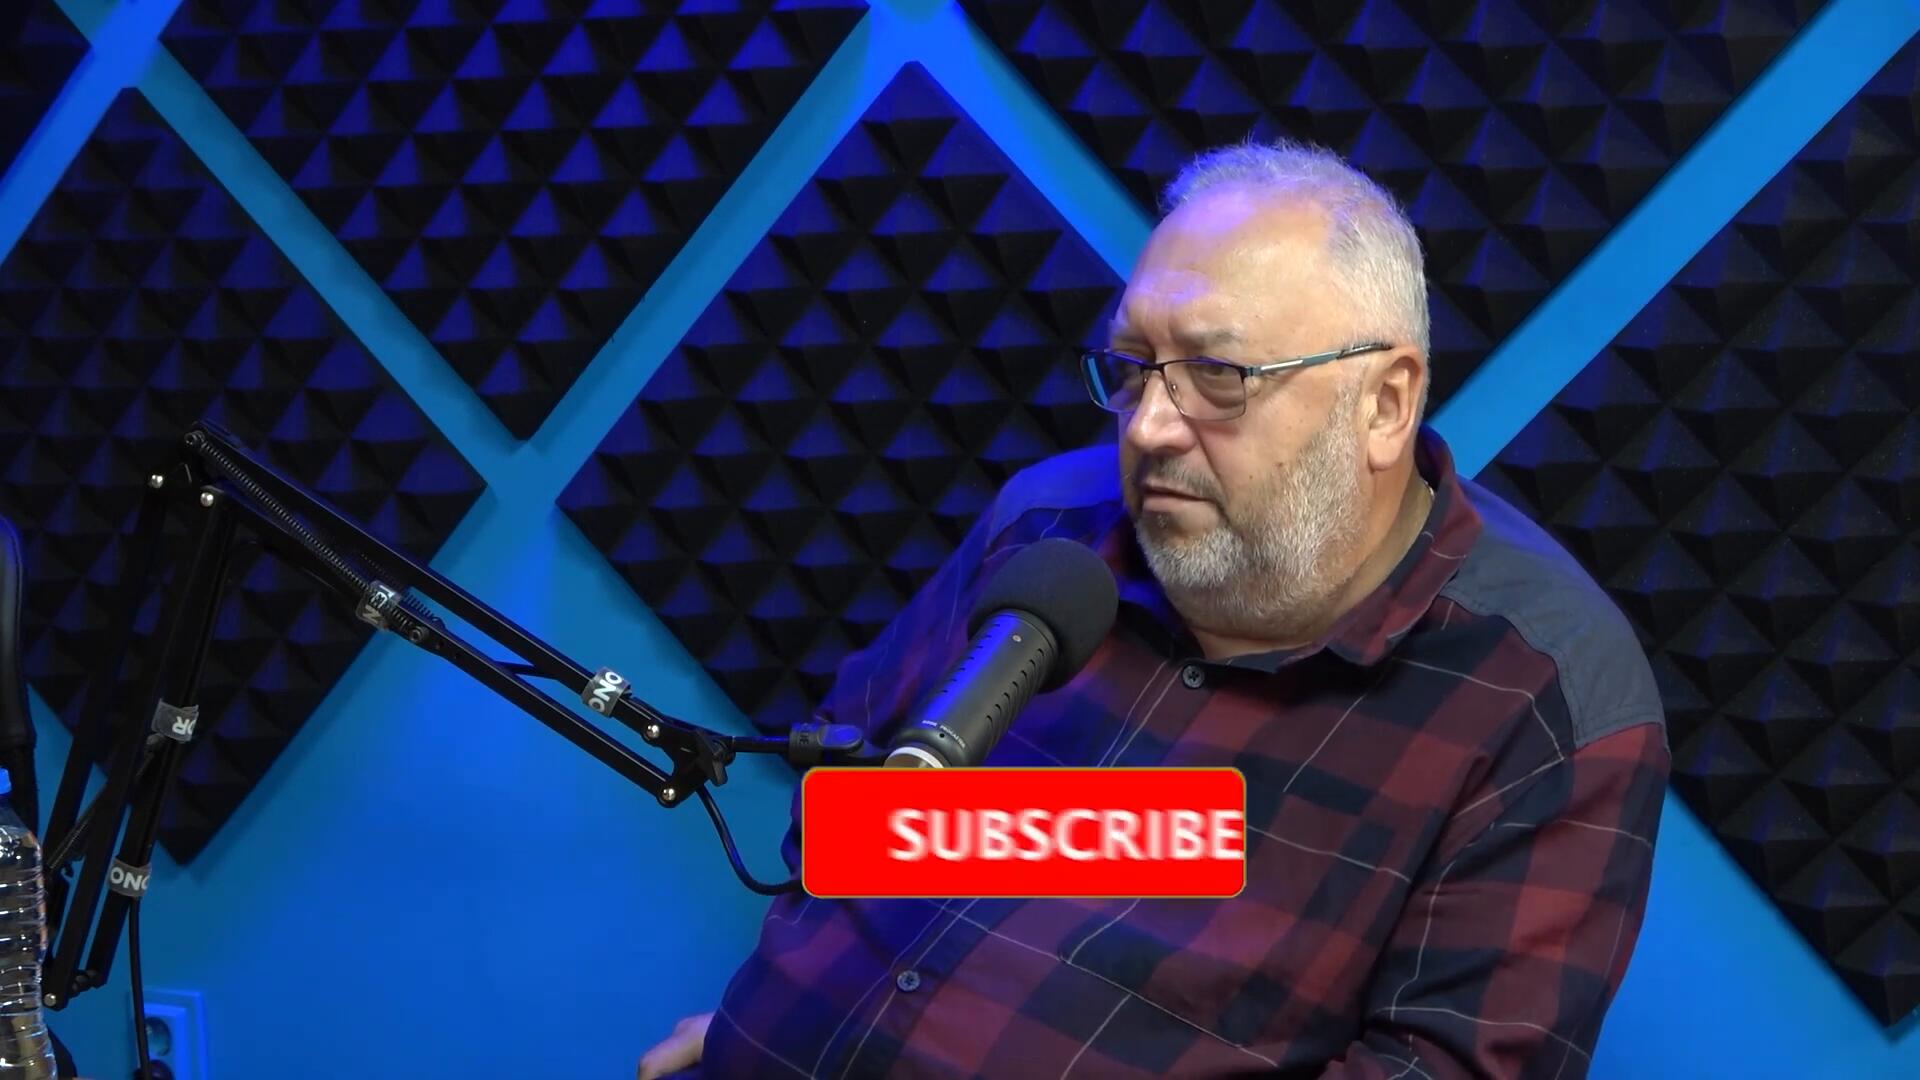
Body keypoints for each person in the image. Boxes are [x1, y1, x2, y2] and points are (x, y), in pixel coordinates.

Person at [640, 137, 1669, 1079]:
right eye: (1135, 370)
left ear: (1385, 403)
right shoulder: (1051, 521)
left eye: (1218, 375)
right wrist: (783, 1023)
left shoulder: (1546, 695)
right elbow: (851, 802)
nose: (1148, 429)